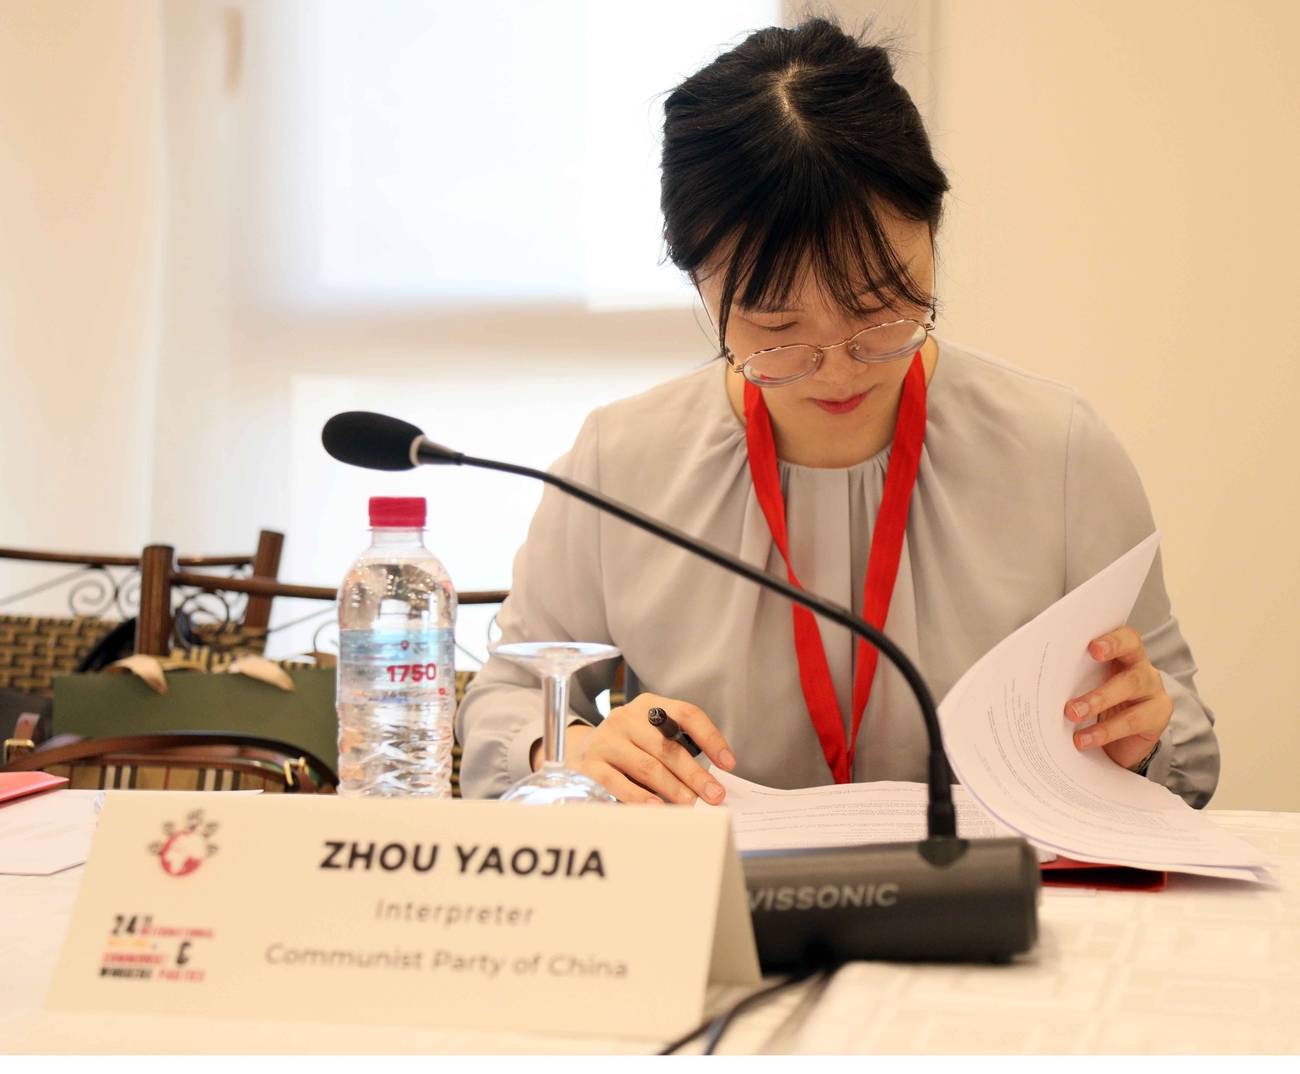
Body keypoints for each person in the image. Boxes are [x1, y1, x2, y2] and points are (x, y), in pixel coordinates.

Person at [456, 18, 1219, 808]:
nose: (839, 368)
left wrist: (1139, 737)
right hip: (715, 912)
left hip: (987, 914)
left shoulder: (1056, 451)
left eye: (880, 311)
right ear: (700, 287)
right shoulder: (620, 463)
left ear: (933, 231)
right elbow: (503, 706)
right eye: (777, 331)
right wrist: (575, 744)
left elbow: (1185, 739)